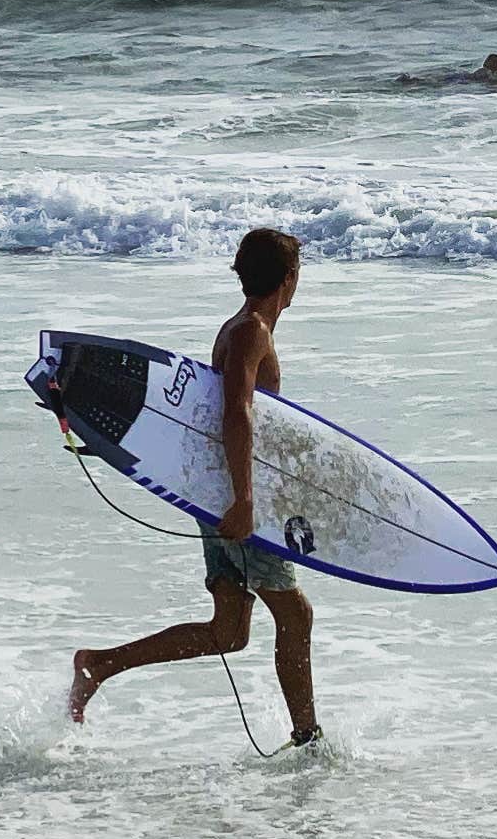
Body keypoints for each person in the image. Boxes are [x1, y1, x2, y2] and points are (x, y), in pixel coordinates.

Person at [68, 228, 320, 746]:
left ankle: (98, 666)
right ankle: (307, 736)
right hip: (233, 493)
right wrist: (245, 499)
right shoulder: (252, 331)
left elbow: (205, 417)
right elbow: (236, 414)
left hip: (216, 492)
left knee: (229, 632)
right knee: (295, 613)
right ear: (290, 280)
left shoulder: (236, 327)